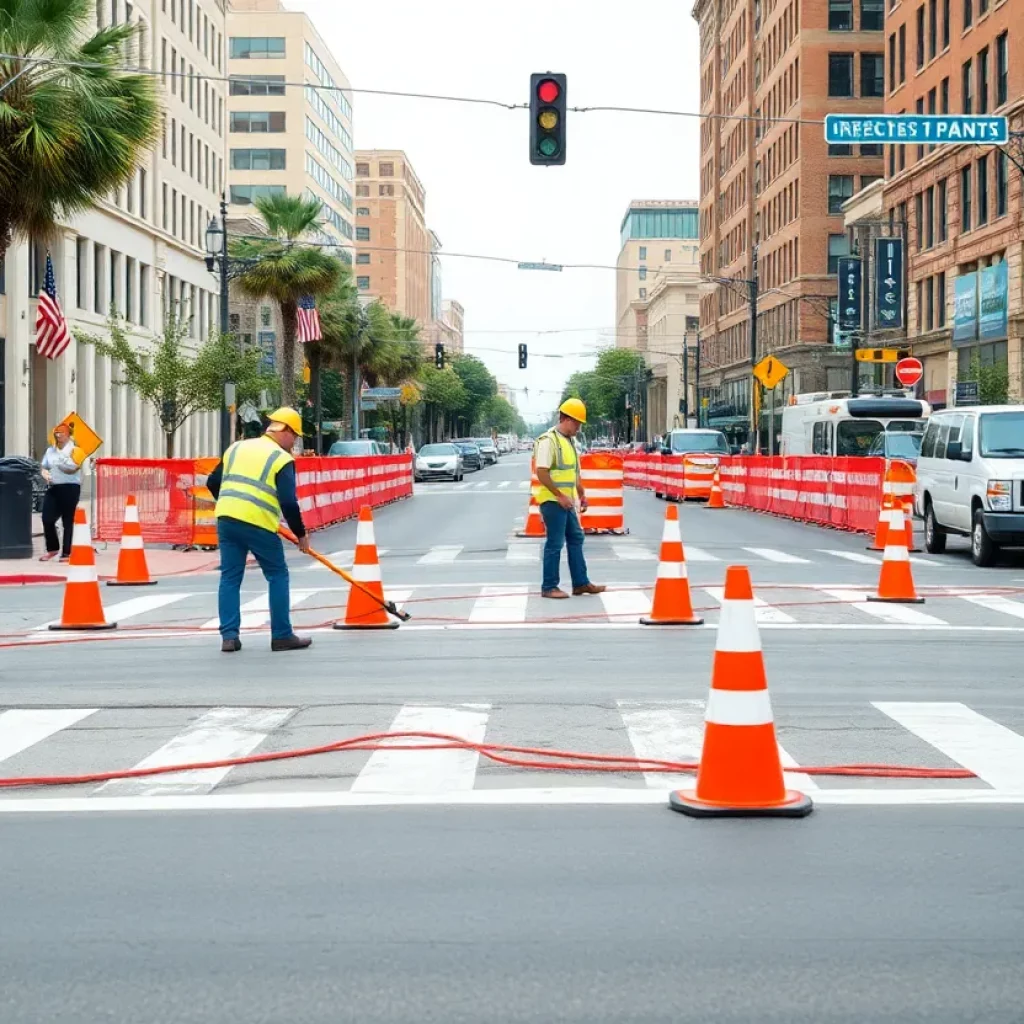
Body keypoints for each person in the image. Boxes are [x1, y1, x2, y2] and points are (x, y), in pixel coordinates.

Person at [206, 407, 312, 654]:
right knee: (277, 574)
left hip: (227, 519)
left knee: (230, 577)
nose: (294, 443)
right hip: (259, 523)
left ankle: (229, 637)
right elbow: (288, 502)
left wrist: (231, 504)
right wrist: (301, 534)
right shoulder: (281, 459)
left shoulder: (237, 447)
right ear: (285, 430)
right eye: (295, 437)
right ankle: (282, 635)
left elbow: (213, 482)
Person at [533, 398, 606, 600]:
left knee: (576, 538)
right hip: (553, 501)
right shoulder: (549, 441)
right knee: (555, 543)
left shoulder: (570, 442)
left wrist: (581, 494)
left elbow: (573, 473)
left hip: (566, 502)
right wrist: (559, 495)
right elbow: (541, 472)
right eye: (577, 423)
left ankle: (580, 583)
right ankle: (549, 586)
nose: (579, 428)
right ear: (566, 419)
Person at [39, 422, 82, 562]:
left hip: (70, 487)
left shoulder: (75, 450)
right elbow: (44, 466)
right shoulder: (50, 451)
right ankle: (52, 549)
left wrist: (61, 465)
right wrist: (45, 474)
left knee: (67, 520)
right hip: (54, 487)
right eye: (57, 433)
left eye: (62, 433)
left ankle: (67, 553)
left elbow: (73, 468)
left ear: (68, 435)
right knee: (47, 518)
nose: (58, 435)